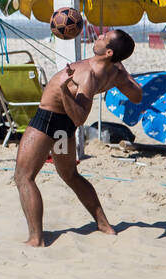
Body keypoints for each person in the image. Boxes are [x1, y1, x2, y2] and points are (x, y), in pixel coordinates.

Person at [13, 29, 141, 247]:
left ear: (108, 52)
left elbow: (80, 117)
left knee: (23, 177)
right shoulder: (116, 70)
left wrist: (63, 89)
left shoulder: (89, 75)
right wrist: (120, 69)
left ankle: (36, 239)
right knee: (70, 175)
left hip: (48, 122)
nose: (99, 36)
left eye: (104, 38)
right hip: (63, 128)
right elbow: (137, 95)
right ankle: (103, 225)